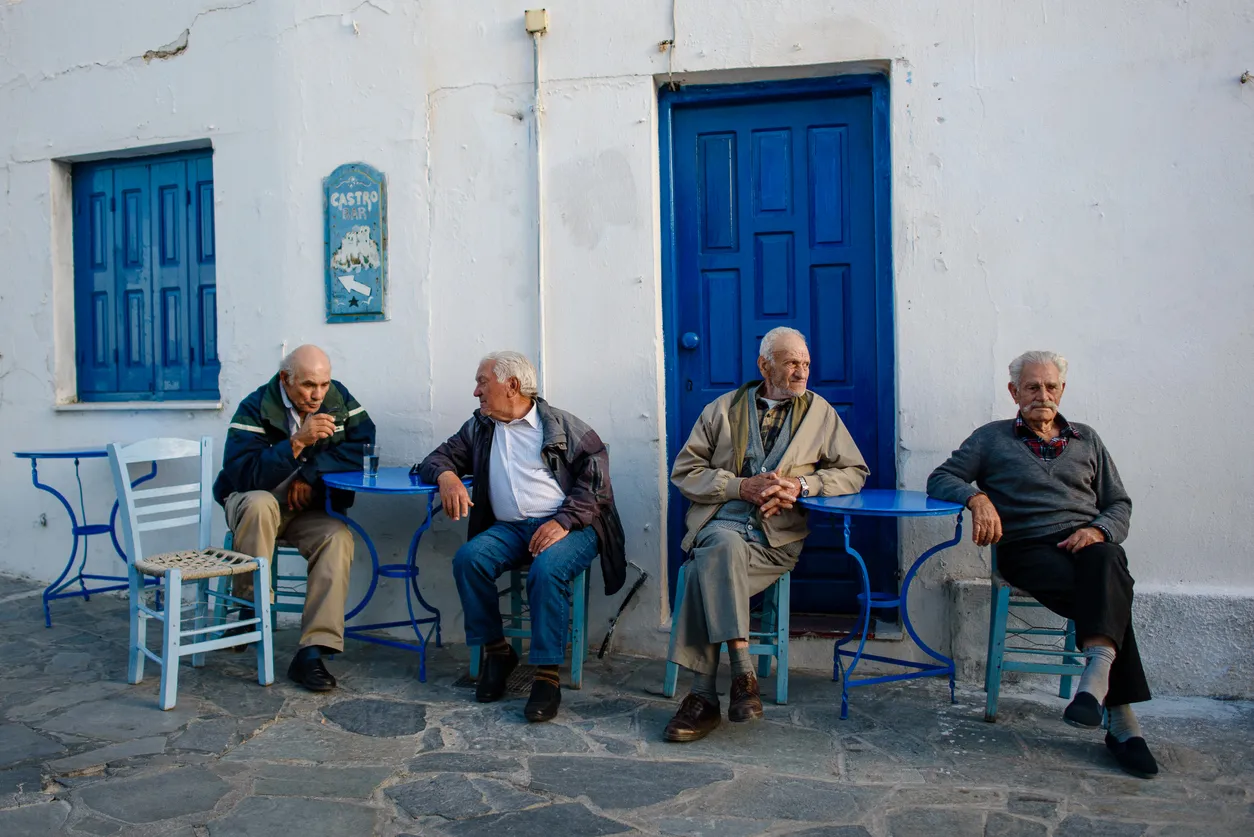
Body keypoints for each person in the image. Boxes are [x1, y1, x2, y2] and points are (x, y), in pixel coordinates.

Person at [927, 350, 1156, 778]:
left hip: (1086, 548)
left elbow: (1118, 503)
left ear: (1062, 390)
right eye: (1032, 387)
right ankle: (1121, 719)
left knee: (1107, 557)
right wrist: (977, 498)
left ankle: (1097, 680)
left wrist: (1099, 529)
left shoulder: (1088, 439)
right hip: (1027, 549)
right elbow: (940, 478)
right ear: (1014, 392)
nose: (1042, 395)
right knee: (1110, 591)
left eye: (1051, 387)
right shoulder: (991, 438)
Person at [664, 327, 869, 743]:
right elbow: (685, 473)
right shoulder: (720, 410)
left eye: (806, 364)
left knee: (709, 563)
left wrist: (801, 487)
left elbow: (854, 472)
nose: (801, 372)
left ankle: (702, 697)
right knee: (719, 546)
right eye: (792, 362)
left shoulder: (820, 413)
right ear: (764, 365)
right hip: (720, 523)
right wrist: (741, 487)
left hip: (773, 543)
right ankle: (742, 673)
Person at [419, 351, 626, 723]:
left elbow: (597, 488)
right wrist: (446, 476)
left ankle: (547, 676)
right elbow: (438, 457)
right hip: (511, 528)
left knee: (546, 570)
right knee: (470, 559)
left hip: (574, 527)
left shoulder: (564, 426)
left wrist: (563, 521)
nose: (475, 392)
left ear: (511, 385)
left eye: (483, 382)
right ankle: (498, 652)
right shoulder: (481, 427)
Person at [212, 344, 374, 692]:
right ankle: (252, 607)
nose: (318, 395)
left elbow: (364, 445)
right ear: (286, 379)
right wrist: (296, 444)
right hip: (251, 504)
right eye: (308, 386)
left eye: (324, 384)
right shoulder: (255, 407)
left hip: (302, 511)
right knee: (260, 504)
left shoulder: (338, 398)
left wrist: (310, 475)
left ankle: (312, 651)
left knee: (337, 537)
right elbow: (243, 475)